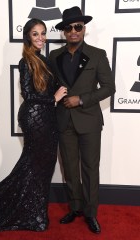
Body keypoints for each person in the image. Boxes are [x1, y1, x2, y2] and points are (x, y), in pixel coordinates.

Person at [0, 18, 67, 233]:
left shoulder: (44, 61)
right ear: (28, 37)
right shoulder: (26, 62)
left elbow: (53, 86)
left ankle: (34, 212)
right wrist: (53, 98)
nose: (41, 37)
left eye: (43, 33)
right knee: (34, 166)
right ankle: (34, 215)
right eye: (35, 34)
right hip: (35, 119)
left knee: (41, 168)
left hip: (47, 118)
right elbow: (29, 95)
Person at [49, 6, 116, 234]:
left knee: (89, 169)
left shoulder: (97, 55)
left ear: (84, 28)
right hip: (63, 121)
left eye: (78, 27)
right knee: (69, 168)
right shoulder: (54, 56)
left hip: (89, 121)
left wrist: (81, 100)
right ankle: (75, 207)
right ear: (64, 32)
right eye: (69, 27)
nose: (74, 31)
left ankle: (90, 213)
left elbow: (109, 87)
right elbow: (48, 87)